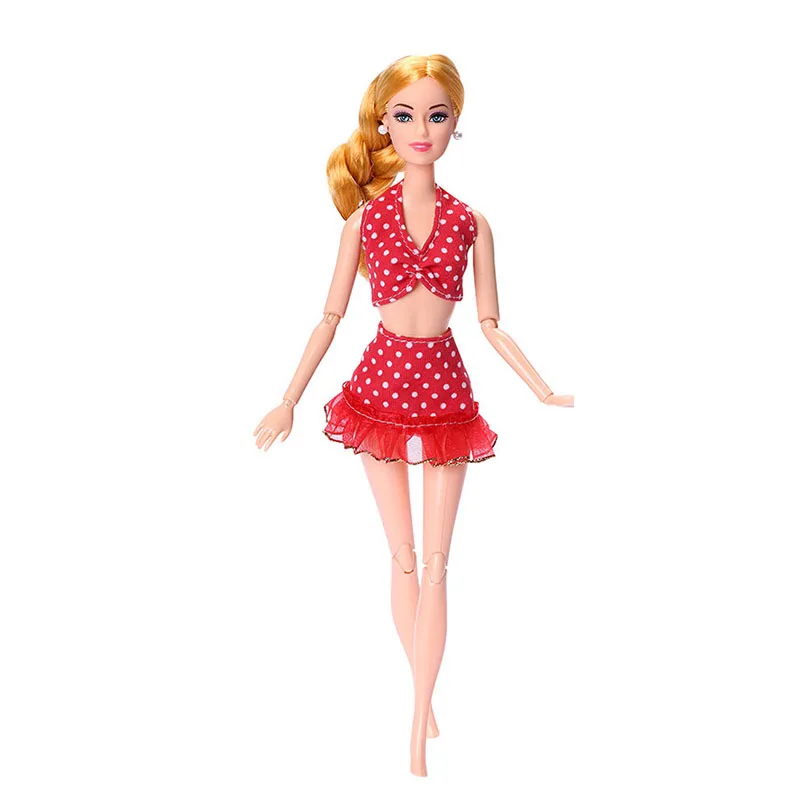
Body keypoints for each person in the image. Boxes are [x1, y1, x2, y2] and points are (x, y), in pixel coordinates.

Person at [253, 53, 574, 777]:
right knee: (402, 557)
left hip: (447, 394)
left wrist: (544, 390)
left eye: (437, 114)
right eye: (405, 115)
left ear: (457, 123)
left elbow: (490, 323)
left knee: (437, 564)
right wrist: (288, 398)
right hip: (379, 392)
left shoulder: (472, 222)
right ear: (383, 125)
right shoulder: (364, 221)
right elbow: (330, 316)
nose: (422, 129)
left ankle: (418, 717)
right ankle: (420, 707)